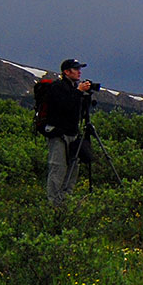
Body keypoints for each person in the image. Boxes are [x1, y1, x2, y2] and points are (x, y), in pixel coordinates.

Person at [42, 58, 95, 205]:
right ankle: (54, 204)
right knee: (58, 168)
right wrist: (78, 93)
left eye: (80, 69)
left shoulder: (73, 89)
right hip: (58, 134)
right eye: (76, 69)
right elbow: (64, 106)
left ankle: (66, 200)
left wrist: (85, 96)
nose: (79, 72)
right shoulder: (57, 87)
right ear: (66, 72)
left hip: (73, 134)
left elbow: (80, 112)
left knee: (73, 168)